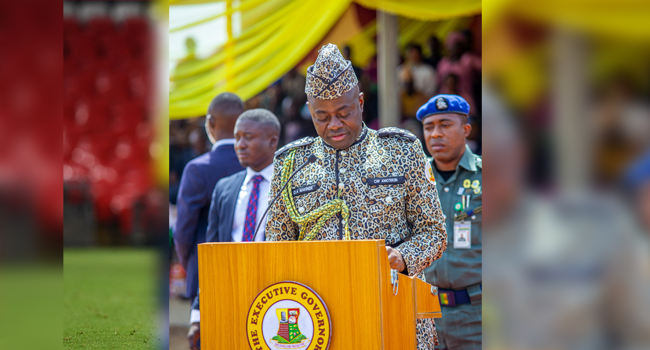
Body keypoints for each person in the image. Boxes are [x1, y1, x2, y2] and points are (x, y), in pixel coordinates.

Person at [264, 43, 447, 350]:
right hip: (318, 322)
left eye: (343, 112)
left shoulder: (400, 150)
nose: (333, 124)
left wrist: (402, 258)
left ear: (361, 102)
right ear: (309, 110)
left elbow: (434, 232)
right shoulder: (291, 164)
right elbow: (276, 247)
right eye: (322, 115)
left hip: (393, 314)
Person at [186, 108, 281, 350]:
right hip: (231, 296)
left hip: (276, 295)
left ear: (273, 141)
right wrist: (197, 316)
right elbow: (212, 258)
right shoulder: (224, 189)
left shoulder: (290, 186)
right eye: (237, 137)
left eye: (248, 137)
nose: (239, 144)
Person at [418, 94, 482, 350]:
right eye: (428, 127)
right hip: (424, 312)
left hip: (476, 314)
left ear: (466, 129)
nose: (435, 134)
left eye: (445, 125)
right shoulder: (415, 180)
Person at [173, 93, 245, 302]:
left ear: (210, 123)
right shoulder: (261, 165)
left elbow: (183, 230)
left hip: (206, 271)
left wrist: (191, 264)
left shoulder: (198, 169)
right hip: (253, 267)